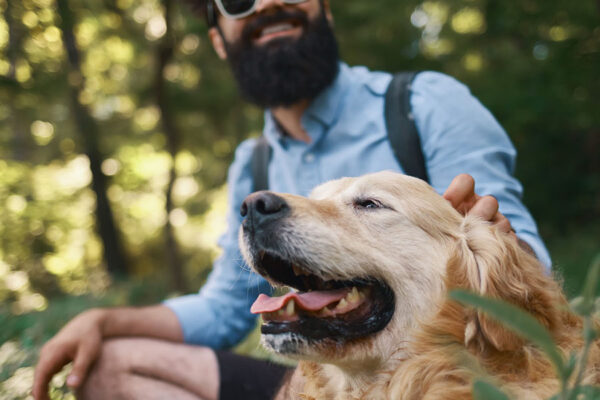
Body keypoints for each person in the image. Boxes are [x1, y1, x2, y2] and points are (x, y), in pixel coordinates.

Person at [32, 0, 552, 399]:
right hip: (320, 381)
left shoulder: (426, 104)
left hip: (446, 372)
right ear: (219, 38)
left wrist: (497, 241)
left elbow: (521, 264)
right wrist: (104, 319)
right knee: (104, 366)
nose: (265, 4)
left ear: (324, 6)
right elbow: (224, 308)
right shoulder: (252, 165)